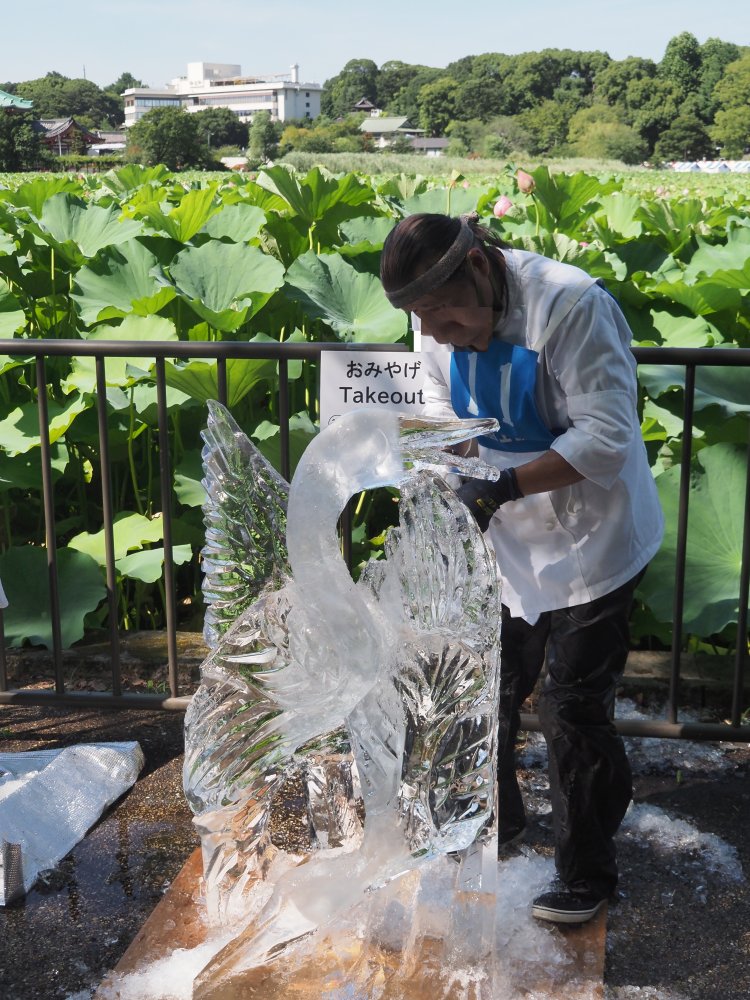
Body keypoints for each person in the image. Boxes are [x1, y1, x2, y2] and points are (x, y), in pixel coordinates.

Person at [380, 211, 664, 925]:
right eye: (425, 322)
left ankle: (587, 873)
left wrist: (503, 485)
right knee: (490, 688)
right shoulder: (432, 315)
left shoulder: (571, 304)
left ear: (479, 266)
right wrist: (449, 473)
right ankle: (494, 828)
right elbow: (435, 406)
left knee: (569, 706)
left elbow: (605, 435)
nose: (439, 335)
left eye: (446, 319)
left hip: (592, 534)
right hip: (502, 537)